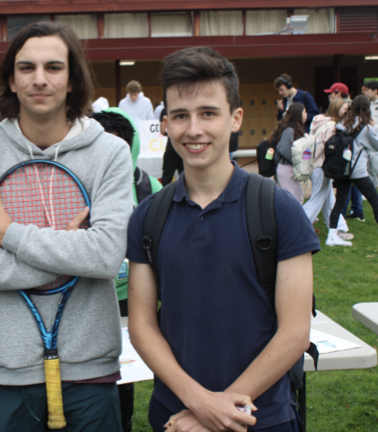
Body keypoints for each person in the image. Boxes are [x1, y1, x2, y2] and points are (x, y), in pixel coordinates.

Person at [0, 21, 132, 432]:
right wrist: (71, 254)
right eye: (27, 68)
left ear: (72, 79)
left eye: (53, 67)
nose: (40, 79)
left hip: (90, 367)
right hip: (1, 370)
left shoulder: (110, 153)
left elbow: (106, 256)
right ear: (11, 80)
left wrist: (9, 235)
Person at [128, 46, 320, 432]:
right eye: (180, 115)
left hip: (262, 416)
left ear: (235, 119)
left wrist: (217, 412)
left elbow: (295, 332)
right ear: (165, 124)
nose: (193, 129)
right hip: (176, 415)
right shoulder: (148, 215)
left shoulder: (279, 210)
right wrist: (200, 403)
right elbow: (142, 326)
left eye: (208, 113)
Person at [89, 107, 162, 432]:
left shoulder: (149, 187)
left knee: (126, 367)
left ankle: (125, 422)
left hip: (132, 296)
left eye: (118, 144)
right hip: (89, 292)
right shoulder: (75, 184)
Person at [326, 95, 378, 247]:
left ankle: (332, 236)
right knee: (375, 200)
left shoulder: (342, 123)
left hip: (342, 169)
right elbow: (376, 146)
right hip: (357, 171)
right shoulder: (365, 128)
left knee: (339, 202)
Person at [303, 99, 352, 239]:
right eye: (344, 109)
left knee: (329, 200)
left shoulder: (319, 121)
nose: (347, 111)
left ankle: (339, 228)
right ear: (337, 109)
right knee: (317, 199)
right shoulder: (332, 127)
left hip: (315, 165)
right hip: (321, 166)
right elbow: (328, 150)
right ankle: (296, 225)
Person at [271, 102, 308, 203]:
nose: (306, 114)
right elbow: (284, 150)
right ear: (298, 114)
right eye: (304, 112)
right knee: (291, 200)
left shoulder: (295, 130)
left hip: (290, 169)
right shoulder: (289, 131)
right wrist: (297, 162)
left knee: (294, 198)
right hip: (287, 169)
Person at [159, 108, 184, 186]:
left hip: (172, 145)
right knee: (185, 178)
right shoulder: (183, 108)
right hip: (183, 145)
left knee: (166, 179)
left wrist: (169, 135)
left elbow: (162, 131)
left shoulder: (165, 110)